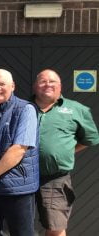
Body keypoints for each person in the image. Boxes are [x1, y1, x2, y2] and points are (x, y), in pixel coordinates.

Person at [33, 69, 99, 236]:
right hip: (23, 177)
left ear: (60, 86)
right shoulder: (24, 108)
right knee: (19, 224)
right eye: (42, 81)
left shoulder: (76, 109)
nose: (47, 84)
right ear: (35, 86)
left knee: (55, 226)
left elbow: (90, 139)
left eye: (52, 81)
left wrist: (66, 151)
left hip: (55, 178)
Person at [0, 69, 39, 236]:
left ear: (12, 86)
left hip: (16, 189)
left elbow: (19, 149)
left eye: (2, 84)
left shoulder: (25, 110)